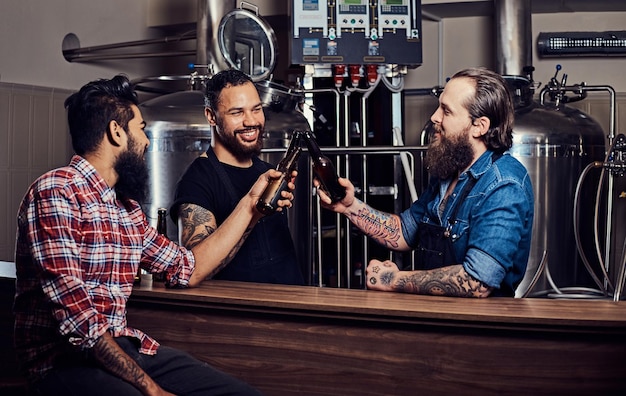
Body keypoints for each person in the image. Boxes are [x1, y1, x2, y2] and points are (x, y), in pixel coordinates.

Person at [13, 75, 280, 395]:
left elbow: (187, 268)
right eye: (140, 129)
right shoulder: (57, 191)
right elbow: (79, 323)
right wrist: (151, 389)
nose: (147, 141)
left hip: (123, 346)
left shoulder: (125, 209)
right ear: (116, 132)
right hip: (62, 363)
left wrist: (251, 205)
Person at [317, 67, 534, 297]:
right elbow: (404, 231)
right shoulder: (449, 173)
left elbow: (477, 282)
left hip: (478, 328)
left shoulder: (503, 184)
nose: (434, 117)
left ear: (479, 126)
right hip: (435, 317)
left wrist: (392, 279)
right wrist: (350, 207)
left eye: (446, 111)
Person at [170, 69, 304, 285]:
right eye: (237, 113)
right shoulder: (196, 181)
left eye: (256, 109)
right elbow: (193, 270)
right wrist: (252, 209)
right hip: (243, 313)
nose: (251, 121)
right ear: (211, 116)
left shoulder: (267, 171)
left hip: (291, 305)